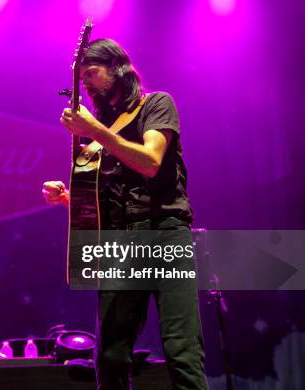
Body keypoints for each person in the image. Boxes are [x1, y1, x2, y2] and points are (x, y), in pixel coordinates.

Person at [43, 38, 207, 389]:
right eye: (81, 76)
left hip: (164, 232)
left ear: (117, 68)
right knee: (111, 356)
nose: (85, 84)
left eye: (91, 73)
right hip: (120, 242)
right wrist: (70, 199)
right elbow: (109, 200)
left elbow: (149, 162)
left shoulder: (156, 104)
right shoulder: (104, 128)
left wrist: (94, 131)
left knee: (182, 350)